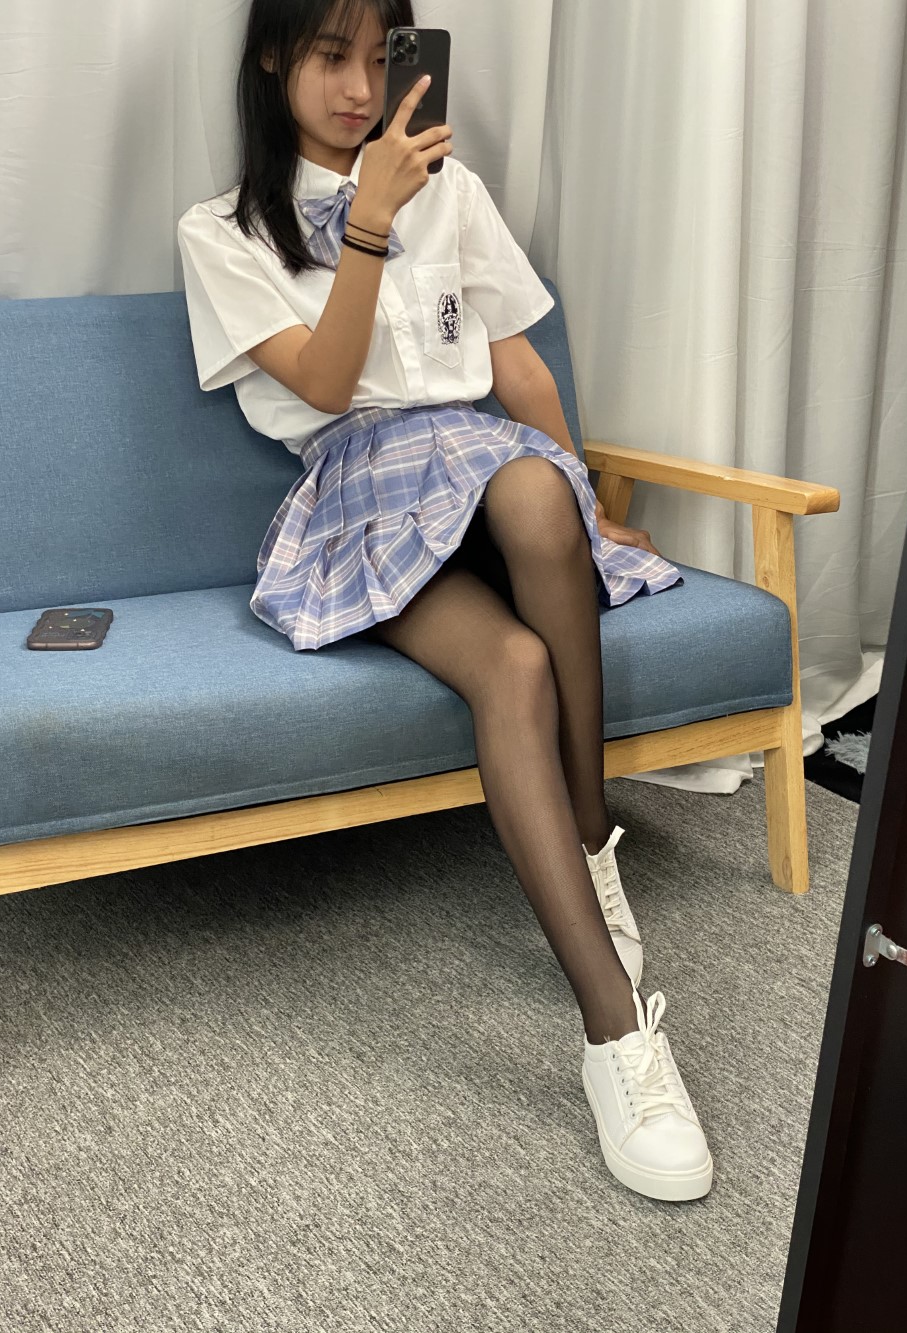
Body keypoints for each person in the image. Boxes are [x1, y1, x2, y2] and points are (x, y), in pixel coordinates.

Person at [176, 0, 712, 1202]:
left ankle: (589, 835)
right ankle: (617, 1036)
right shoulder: (221, 231)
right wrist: (368, 223)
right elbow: (324, 382)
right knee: (511, 667)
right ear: (272, 59)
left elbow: (512, 360)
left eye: (382, 59)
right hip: (362, 494)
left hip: (490, 474)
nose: (361, 88)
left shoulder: (452, 191)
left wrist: (588, 501)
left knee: (534, 488)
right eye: (332, 57)